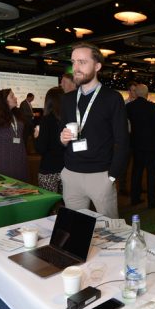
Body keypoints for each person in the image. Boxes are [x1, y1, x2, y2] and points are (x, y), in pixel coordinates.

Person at [59, 42, 129, 219]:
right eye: (74, 62)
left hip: (100, 175)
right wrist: (62, 139)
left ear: (97, 66)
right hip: (71, 174)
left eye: (82, 62)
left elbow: (122, 140)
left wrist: (112, 176)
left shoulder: (112, 98)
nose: (76, 67)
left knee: (111, 231)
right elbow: (61, 135)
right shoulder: (67, 99)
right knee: (74, 227)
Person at [126, 84, 155, 208]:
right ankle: (152, 200)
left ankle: (135, 198)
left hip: (136, 145)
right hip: (151, 146)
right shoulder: (152, 106)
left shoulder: (129, 107)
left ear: (136, 93)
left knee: (136, 172)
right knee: (152, 174)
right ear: (146, 94)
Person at [34, 86, 65, 193]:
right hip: (67, 169)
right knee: (67, 204)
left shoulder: (46, 120)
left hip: (49, 169)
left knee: (51, 206)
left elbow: (41, 148)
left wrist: (36, 136)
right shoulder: (69, 118)